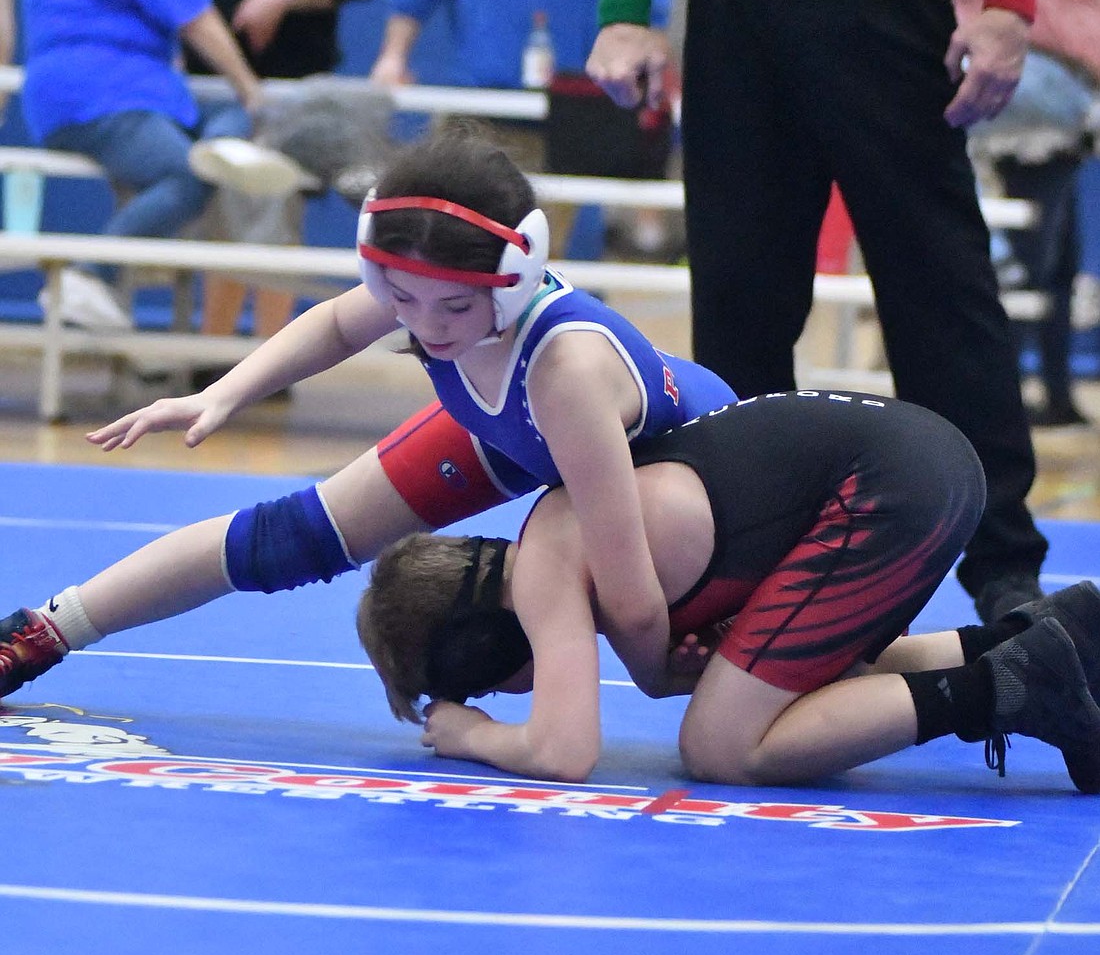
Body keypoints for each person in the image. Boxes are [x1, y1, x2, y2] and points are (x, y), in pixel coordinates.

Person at [0, 127, 735, 707]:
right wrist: (220, 393)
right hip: (537, 436)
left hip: (700, 484)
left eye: (452, 306)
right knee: (293, 536)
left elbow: (632, 597)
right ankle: (39, 635)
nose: (426, 324)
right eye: (403, 300)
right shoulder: (429, 280)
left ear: (517, 277)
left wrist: (659, 675)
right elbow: (334, 326)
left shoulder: (567, 372)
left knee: (607, 627)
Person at [585, 0, 1051, 625]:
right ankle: (747, 560)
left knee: (943, 293)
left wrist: (1010, 6)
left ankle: (1005, 564)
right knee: (738, 300)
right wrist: (622, 6)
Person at [357, 389, 1100, 791]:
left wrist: (472, 735)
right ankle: (1042, 635)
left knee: (721, 745)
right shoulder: (562, 536)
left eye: (471, 688)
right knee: (794, 693)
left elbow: (564, 753)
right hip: (913, 460)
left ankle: (1015, 683)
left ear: (477, 645)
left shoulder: (547, 566)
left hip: (893, 487)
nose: (495, 699)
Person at [366, 0, 677, 260]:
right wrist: (393, 56)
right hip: (480, 105)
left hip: (575, 109)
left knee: (541, 255)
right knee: (450, 246)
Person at [17, 0, 265, 331]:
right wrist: (252, 91)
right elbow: (195, 17)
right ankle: (90, 276)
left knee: (225, 118)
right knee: (187, 174)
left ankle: (217, 148)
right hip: (110, 95)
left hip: (59, 100)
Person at [182, 0, 382, 356]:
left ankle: (273, 356)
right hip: (210, 88)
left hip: (292, 93)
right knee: (221, 216)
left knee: (276, 216)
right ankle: (210, 354)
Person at [947, 0, 1100, 428]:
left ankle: (1018, 396)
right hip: (1059, 85)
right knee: (1046, 254)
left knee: (1027, 256)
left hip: (1035, 77)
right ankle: (1047, 394)